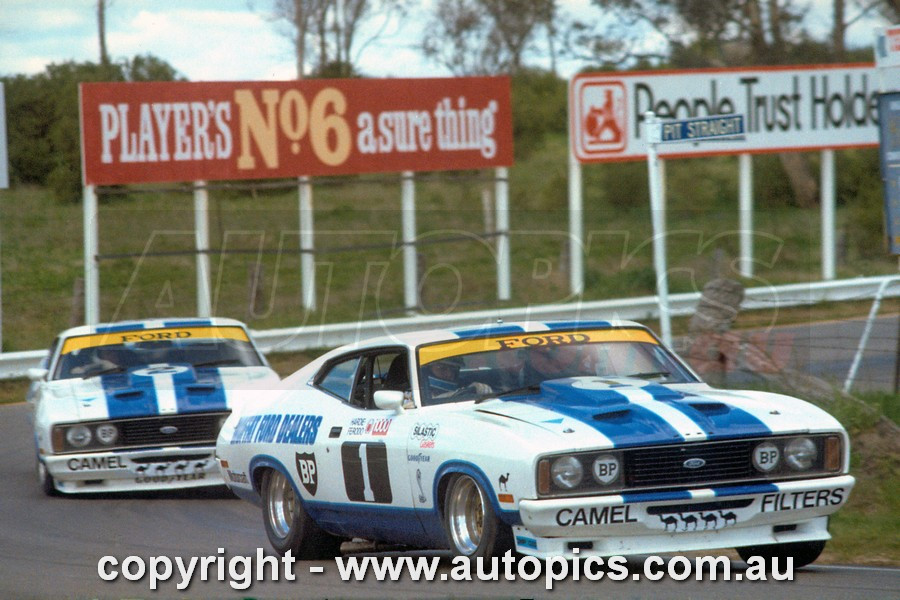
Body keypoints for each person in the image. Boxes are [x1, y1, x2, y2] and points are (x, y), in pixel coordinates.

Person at [425, 358, 492, 401]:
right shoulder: (420, 395)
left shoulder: (466, 386)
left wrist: (482, 389)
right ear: (428, 370)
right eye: (442, 368)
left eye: (453, 369)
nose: (449, 374)